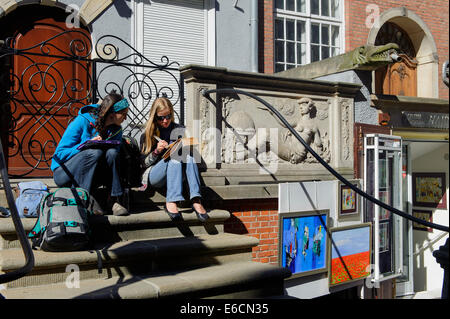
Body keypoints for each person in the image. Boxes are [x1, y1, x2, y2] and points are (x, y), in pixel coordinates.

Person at [50, 90, 130, 216]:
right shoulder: (82, 121)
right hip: (64, 172)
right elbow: (60, 154)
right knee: (94, 153)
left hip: (92, 175)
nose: (126, 118)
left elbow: (112, 160)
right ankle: (83, 199)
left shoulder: (116, 130)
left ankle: (114, 199)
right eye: (124, 114)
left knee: (113, 153)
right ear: (112, 113)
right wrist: (85, 145)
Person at [140, 97, 208, 222]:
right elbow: (144, 164)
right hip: (155, 175)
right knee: (175, 158)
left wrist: (187, 146)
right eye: (161, 118)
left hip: (177, 172)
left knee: (189, 157)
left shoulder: (178, 129)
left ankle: (196, 199)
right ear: (154, 117)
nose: (165, 121)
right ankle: (171, 200)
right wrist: (156, 151)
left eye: (168, 116)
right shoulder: (148, 134)